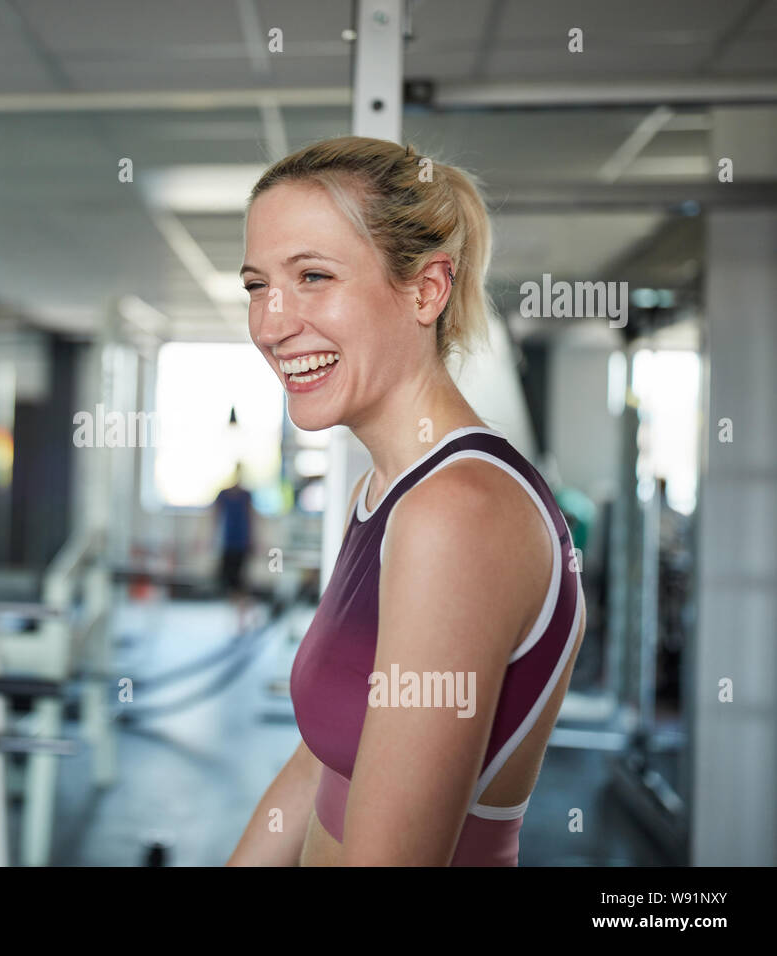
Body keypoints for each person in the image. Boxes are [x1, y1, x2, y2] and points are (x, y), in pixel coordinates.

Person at [226, 136, 586, 866]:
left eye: (314, 276)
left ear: (427, 290)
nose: (270, 323)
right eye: (257, 285)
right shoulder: (388, 491)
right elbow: (326, 757)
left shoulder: (455, 513)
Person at [212, 463, 254, 598]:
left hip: (242, 541)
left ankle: (243, 608)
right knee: (227, 579)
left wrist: (253, 540)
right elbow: (214, 517)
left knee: (239, 580)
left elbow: (251, 519)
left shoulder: (246, 495)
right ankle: (239, 606)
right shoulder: (223, 494)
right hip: (227, 541)